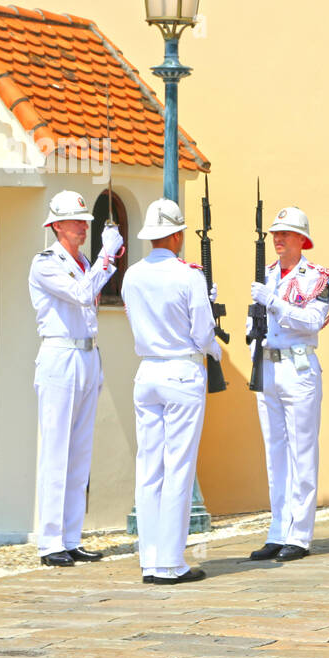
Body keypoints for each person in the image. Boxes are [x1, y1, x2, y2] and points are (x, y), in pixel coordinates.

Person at [121, 198, 222, 585]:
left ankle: (149, 559)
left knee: (149, 467)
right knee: (178, 465)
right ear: (177, 235)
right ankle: (171, 562)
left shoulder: (132, 275)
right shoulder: (188, 276)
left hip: (147, 372)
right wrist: (213, 347)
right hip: (181, 370)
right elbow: (201, 333)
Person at [28, 190, 124, 567]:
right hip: (60, 355)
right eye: (75, 221)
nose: (83, 226)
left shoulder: (83, 259)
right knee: (56, 450)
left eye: (84, 221)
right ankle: (50, 541)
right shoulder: (46, 263)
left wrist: (99, 259)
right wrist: (106, 256)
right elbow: (83, 295)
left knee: (80, 452)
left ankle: (70, 537)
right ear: (56, 226)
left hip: (86, 353)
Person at [245, 206, 329, 563]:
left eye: (285, 233)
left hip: (298, 369)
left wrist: (277, 303)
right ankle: (277, 531)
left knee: (301, 451)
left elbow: (313, 320)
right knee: (275, 453)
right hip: (267, 366)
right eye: (274, 234)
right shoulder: (265, 274)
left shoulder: (317, 277)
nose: (278, 239)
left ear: (302, 239)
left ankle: (299, 535)